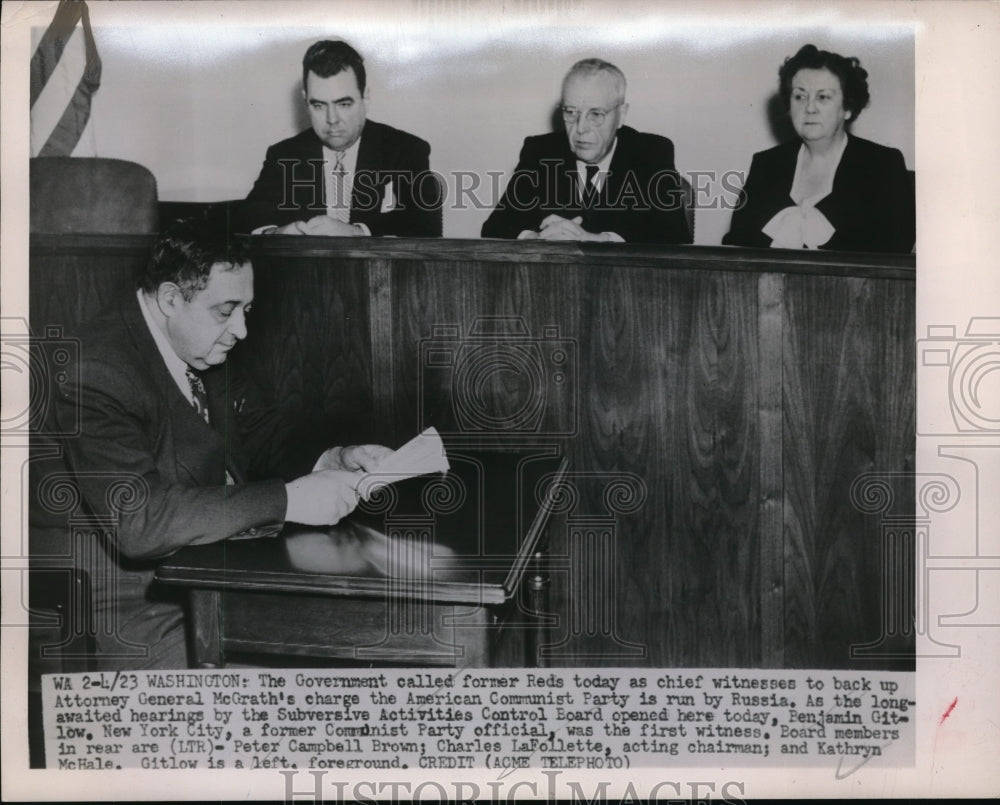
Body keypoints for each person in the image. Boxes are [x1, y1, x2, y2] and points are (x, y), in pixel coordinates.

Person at [54, 220, 393, 669]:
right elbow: (139, 522)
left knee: (352, 644)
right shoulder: (95, 371)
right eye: (226, 311)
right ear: (171, 299)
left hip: (204, 573)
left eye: (246, 310)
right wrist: (290, 499)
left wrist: (334, 458)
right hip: (121, 602)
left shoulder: (197, 342)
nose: (242, 330)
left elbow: (259, 434)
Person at [236, 40, 442, 237]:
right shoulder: (284, 154)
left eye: (343, 104)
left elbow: (425, 223)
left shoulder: (405, 149)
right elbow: (250, 215)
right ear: (305, 100)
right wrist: (275, 233)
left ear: (365, 98)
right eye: (318, 105)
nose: (332, 119)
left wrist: (357, 231)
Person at [723, 44, 915, 253]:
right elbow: (735, 246)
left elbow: (896, 253)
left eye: (823, 97)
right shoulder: (765, 164)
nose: (810, 108)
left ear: (848, 108)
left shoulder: (883, 164)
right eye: (800, 96)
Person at [481, 58, 692, 244]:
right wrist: (536, 239)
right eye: (571, 112)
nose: (581, 128)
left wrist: (599, 240)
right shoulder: (540, 151)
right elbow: (495, 228)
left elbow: (676, 237)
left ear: (621, 115)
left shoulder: (651, 152)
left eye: (596, 114)